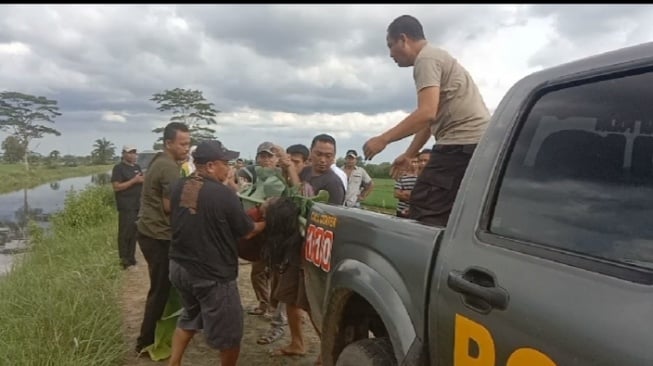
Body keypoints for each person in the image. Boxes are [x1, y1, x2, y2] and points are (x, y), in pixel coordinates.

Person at [363, 14, 490, 227]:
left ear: (403, 39)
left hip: (460, 145)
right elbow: (430, 120)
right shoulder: (437, 56)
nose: (390, 54)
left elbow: (426, 113)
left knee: (425, 204)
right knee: (454, 209)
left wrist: (383, 139)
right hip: (474, 144)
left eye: (390, 45)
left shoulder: (426, 59)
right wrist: (409, 155)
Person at [167, 140, 266, 366]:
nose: (229, 168)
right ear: (210, 166)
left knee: (190, 316)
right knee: (230, 335)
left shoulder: (180, 186)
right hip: (211, 275)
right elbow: (249, 231)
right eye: (226, 163)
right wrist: (267, 217)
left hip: (179, 268)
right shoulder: (223, 194)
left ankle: (173, 363)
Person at [272, 133, 345, 363]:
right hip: (295, 245)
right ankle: (297, 342)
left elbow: (302, 201)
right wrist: (286, 168)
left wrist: (291, 172)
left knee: (312, 304)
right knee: (290, 298)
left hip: (314, 252)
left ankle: (328, 352)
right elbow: (290, 193)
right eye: (319, 154)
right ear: (311, 153)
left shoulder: (332, 183)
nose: (323, 159)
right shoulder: (305, 172)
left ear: (334, 157)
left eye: (329, 155)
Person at [135, 122, 191, 355]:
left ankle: (158, 333)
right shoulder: (168, 168)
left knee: (162, 287)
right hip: (158, 235)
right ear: (168, 143)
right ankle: (145, 341)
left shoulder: (160, 161)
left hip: (149, 232)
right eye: (183, 144)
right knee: (159, 290)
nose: (187, 148)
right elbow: (170, 207)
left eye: (189, 143)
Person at [110, 145, 144, 269]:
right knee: (125, 233)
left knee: (134, 233)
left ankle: (131, 258)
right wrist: (134, 181)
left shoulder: (137, 167)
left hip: (137, 205)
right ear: (124, 154)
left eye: (135, 152)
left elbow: (141, 181)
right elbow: (116, 187)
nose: (133, 155)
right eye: (130, 152)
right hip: (126, 206)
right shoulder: (118, 168)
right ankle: (124, 261)